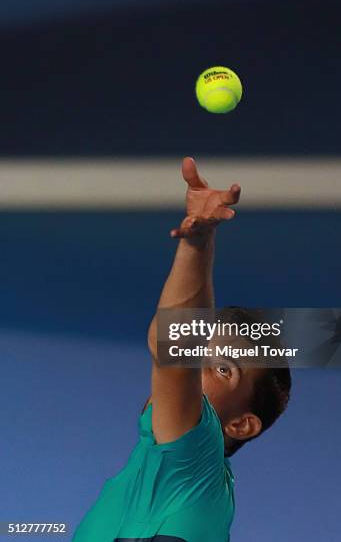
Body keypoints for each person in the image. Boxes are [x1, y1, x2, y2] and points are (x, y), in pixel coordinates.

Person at [73, 157, 291, 542]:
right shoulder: (168, 467)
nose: (199, 362)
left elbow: (174, 347)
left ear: (241, 424)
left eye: (224, 368)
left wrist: (198, 243)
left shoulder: (191, 452)